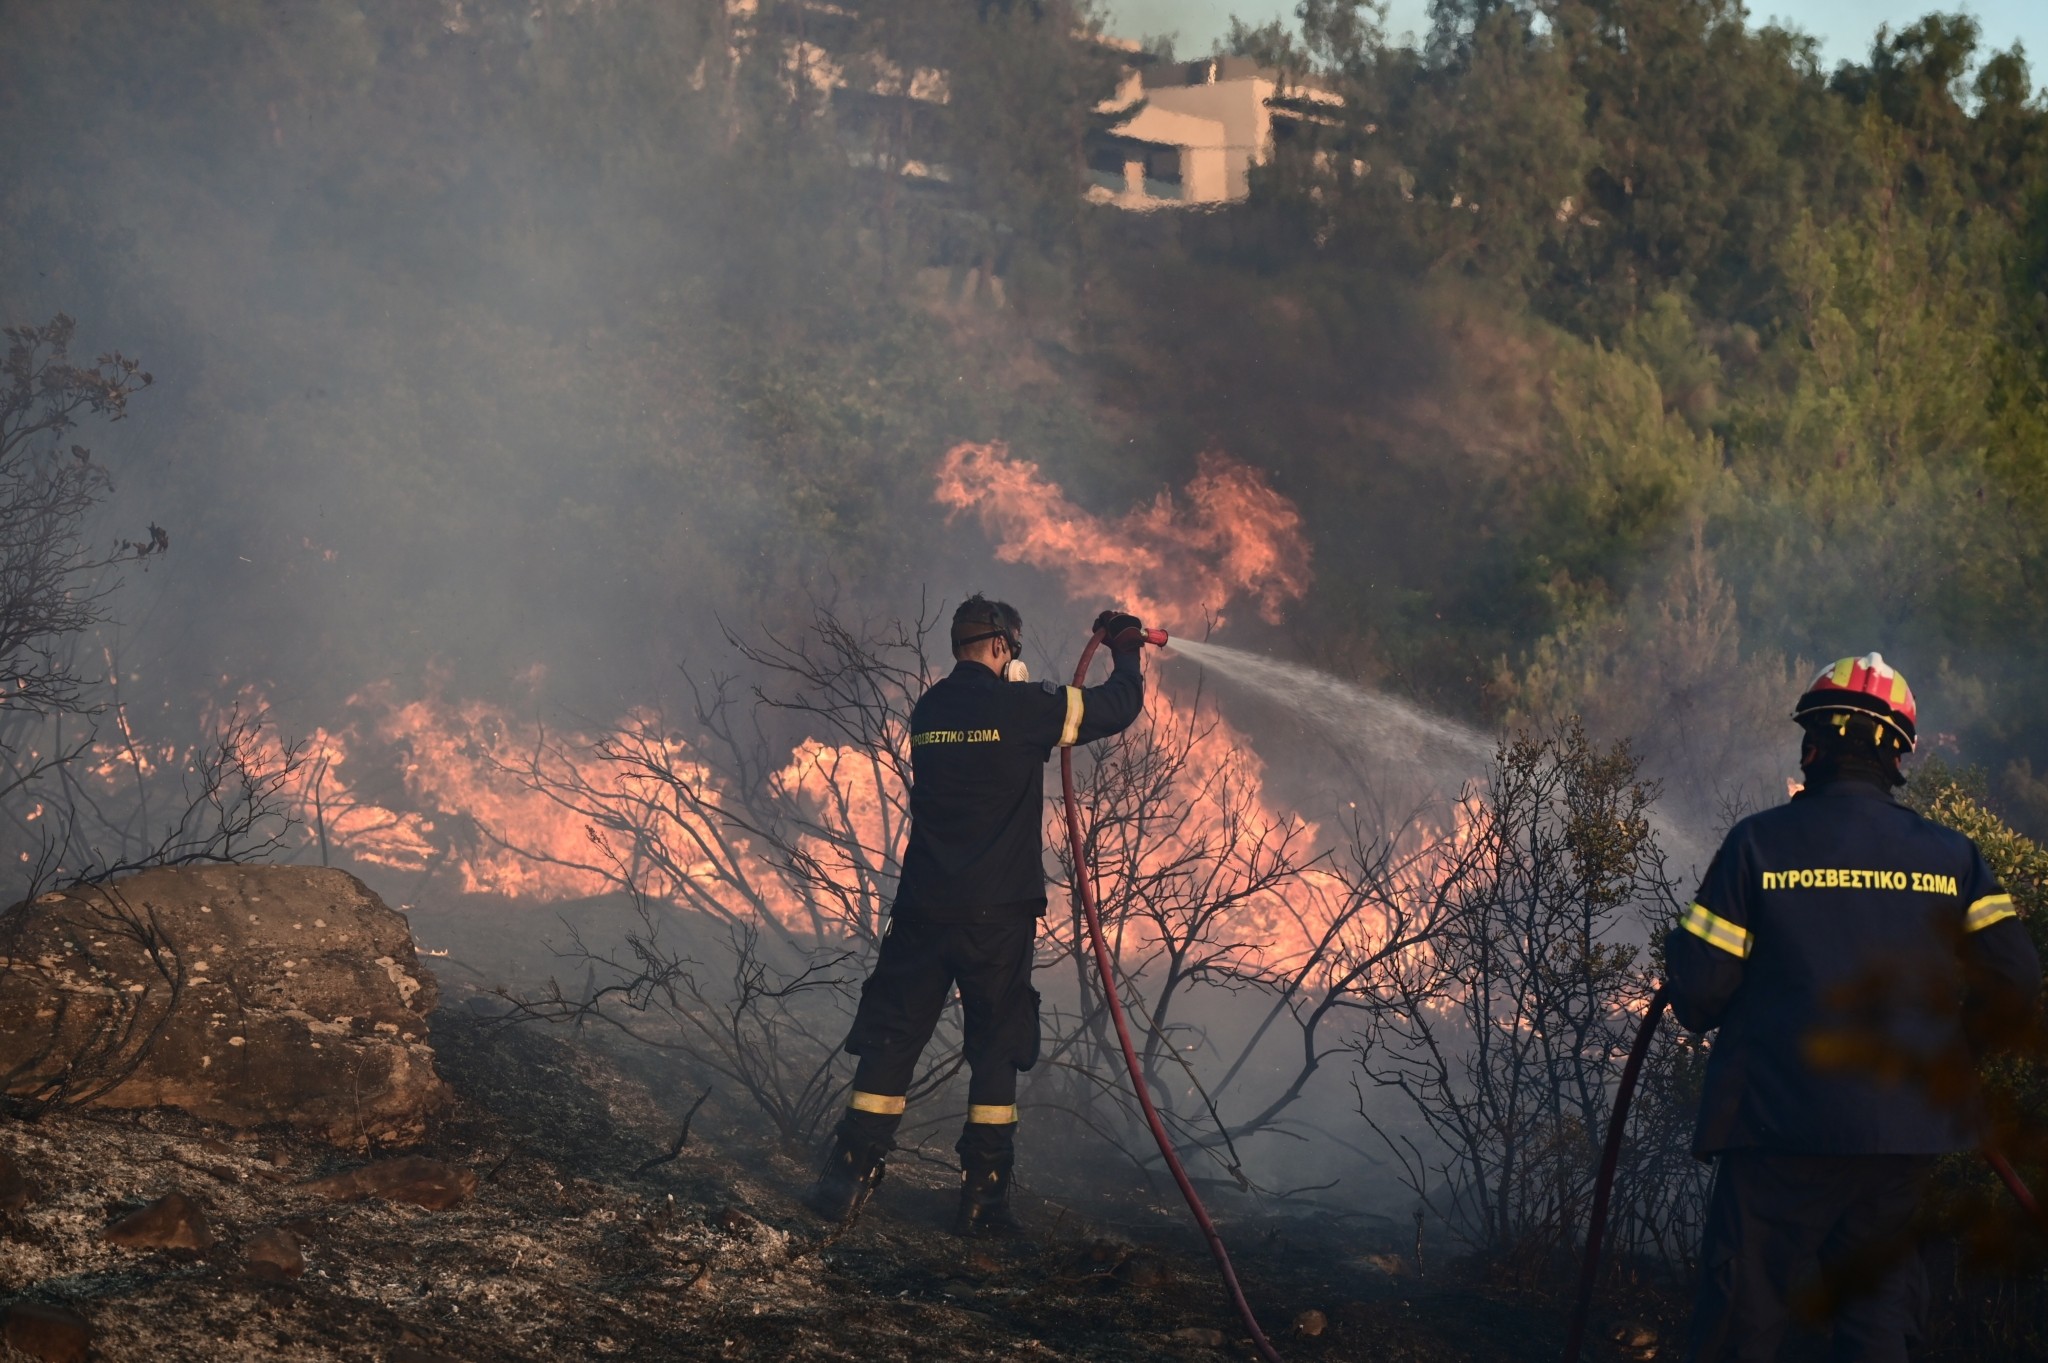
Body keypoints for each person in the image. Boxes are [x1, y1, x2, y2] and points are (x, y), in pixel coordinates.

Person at [1667, 653, 2041, 1362]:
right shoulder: (1954, 857)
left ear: (1812, 746)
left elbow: (1699, 993)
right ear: (1898, 756)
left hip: (1778, 1128)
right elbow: (2016, 978)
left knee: (1744, 1318)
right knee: (1876, 1320)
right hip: (1903, 1135)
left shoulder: (1758, 845)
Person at [804, 594, 1149, 1234]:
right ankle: (982, 1204)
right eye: (1012, 649)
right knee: (996, 1047)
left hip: (922, 908)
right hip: (997, 915)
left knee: (891, 1039)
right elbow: (1118, 706)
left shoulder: (930, 709)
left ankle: (844, 1185)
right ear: (999, 646)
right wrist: (1125, 646)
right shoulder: (1023, 706)